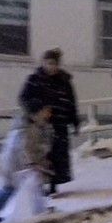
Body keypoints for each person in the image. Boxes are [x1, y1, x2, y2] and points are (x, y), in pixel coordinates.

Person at [18, 48, 79, 196]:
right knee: (42, 155)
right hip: (41, 124)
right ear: (44, 63)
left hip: (59, 124)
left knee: (56, 155)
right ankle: (41, 185)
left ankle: (53, 184)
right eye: (49, 63)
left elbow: (71, 102)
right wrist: (37, 107)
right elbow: (23, 98)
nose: (52, 67)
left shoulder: (64, 81)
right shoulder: (34, 80)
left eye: (54, 64)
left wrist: (74, 121)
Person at [0, 101, 53, 223]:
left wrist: (39, 160)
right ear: (38, 111)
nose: (49, 114)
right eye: (47, 110)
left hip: (20, 164)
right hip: (16, 164)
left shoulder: (35, 125)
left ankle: (39, 211)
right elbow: (25, 147)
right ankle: (39, 212)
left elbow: (35, 146)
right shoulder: (28, 127)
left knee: (32, 187)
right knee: (10, 189)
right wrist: (32, 163)